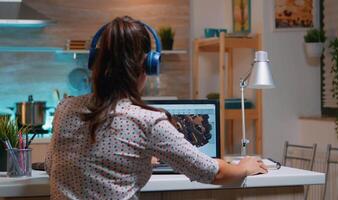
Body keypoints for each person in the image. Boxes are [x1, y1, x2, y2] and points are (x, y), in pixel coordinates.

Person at [45, 16, 267, 200]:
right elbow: (213, 173)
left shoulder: (65, 108)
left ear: (95, 61)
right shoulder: (148, 121)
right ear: (149, 65)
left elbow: (50, 165)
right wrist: (244, 167)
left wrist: (129, 159)